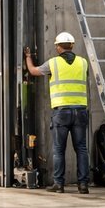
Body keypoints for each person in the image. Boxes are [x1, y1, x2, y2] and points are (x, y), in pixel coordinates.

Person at [24, 31, 90, 194]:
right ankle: (83, 185)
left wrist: (28, 56)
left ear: (58, 47)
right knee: (81, 149)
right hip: (80, 111)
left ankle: (58, 185)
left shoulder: (53, 63)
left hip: (62, 112)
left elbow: (33, 71)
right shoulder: (83, 62)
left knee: (59, 149)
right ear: (72, 45)